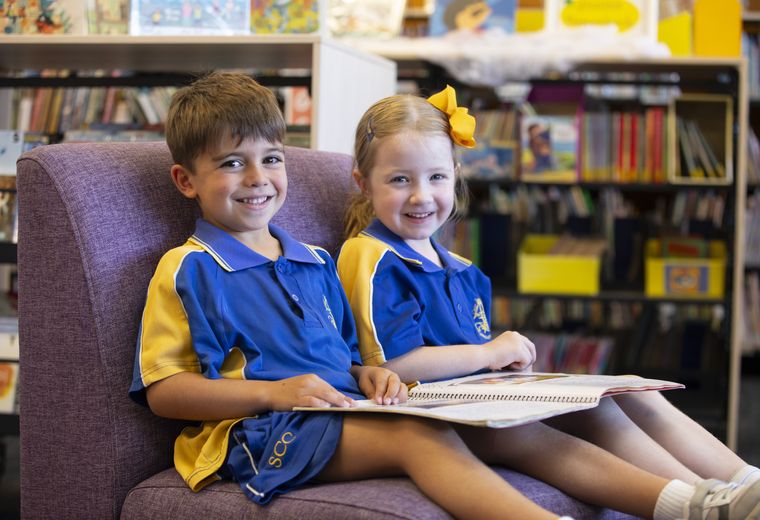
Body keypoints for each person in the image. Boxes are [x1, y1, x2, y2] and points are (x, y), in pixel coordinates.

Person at [129, 70, 634, 520]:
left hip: (341, 412)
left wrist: (365, 373)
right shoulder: (188, 268)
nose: (258, 178)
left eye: (272, 158)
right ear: (186, 180)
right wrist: (273, 392)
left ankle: (685, 502)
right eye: (233, 163)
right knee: (419, 436)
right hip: (254, 436)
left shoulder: (314, 260)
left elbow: (346, 358)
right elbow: (165, 392)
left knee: (511, 428)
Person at [336, 84, 760, 520]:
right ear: (363, 183)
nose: (421, 195)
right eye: (400, 179)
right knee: (593, 418)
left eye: (436, 177)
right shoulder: (369, 254)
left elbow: (471, 364)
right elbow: (393, 366)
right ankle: (699, 504)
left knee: (632, 393)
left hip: (477, 401)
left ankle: (745, 485)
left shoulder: (461, 268)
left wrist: (505, 365)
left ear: (456, 173)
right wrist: (489, 352)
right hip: (426, 415)